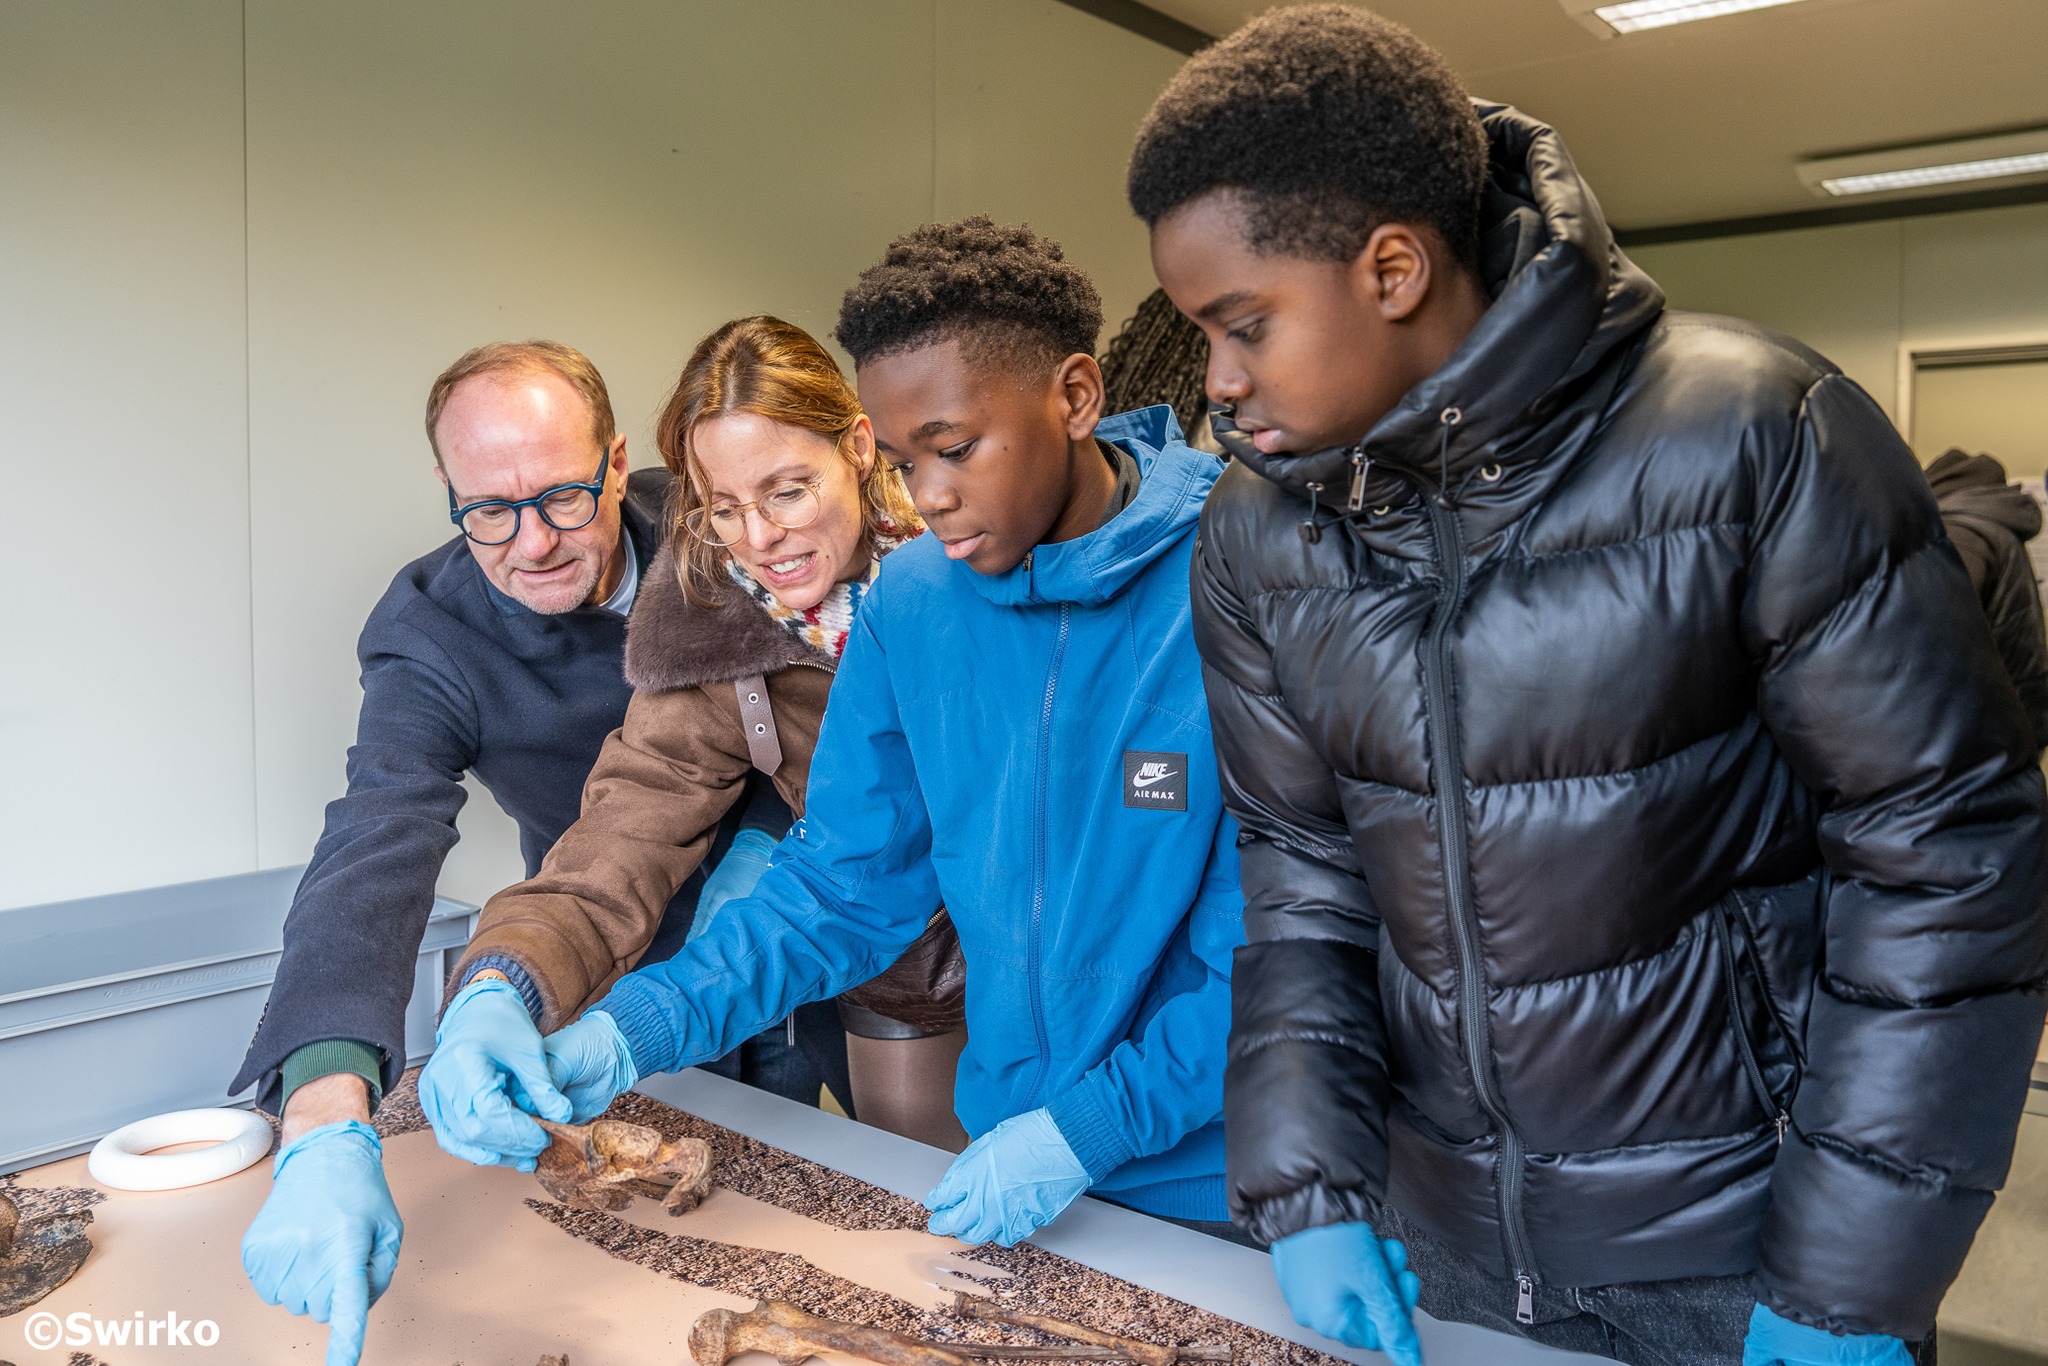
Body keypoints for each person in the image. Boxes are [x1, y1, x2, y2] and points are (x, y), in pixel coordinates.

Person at [1130, 8, 2046, 1366]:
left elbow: (1945, 860)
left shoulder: (1755, 434)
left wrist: (1850, 1275)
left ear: (1391, 267)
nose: (1216, 379)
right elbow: (1305, 876)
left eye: (1243, 322)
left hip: (1744, 1244)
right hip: (1434, 1229)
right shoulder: (1259, 535)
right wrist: (1310, 1185)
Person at [426, 217, 1247, 1245]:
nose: (929, 499)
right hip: (1020, 1156)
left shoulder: (1245, 575)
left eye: (950, 451)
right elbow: (841, 887)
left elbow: (1289, 942)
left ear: (1077, 397)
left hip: (1231, 1179)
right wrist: (632, 1029)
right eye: (908, 459)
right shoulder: (913, 601)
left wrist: (1086, 1128)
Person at [232, 341, 814, 1366]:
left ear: (618, 458)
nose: (531, 542)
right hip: (588, 944)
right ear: (447, 491)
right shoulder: (431, 632)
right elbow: (378, 834)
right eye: (488, 510)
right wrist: (323, 1110)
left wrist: (767, 848)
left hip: (816, 908)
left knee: (808, 1197)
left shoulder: (726, 528)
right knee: (644, 1252)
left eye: (560, 498)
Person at [420, 315, 972, 1165]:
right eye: (723, 507)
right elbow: (626, 825)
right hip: (907, 962)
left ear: (859, 446)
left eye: (787, 491)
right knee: (934, 1190)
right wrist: (502, 984)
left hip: (1077, 944)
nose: (758, 540)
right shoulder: (716, 621)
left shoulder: (975, 549)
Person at [1925, 447, 2048, 752]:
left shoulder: (1963, 533)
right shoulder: (1995, 527)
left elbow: (1938, 629)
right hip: (2016, 712)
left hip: (1983, 729)